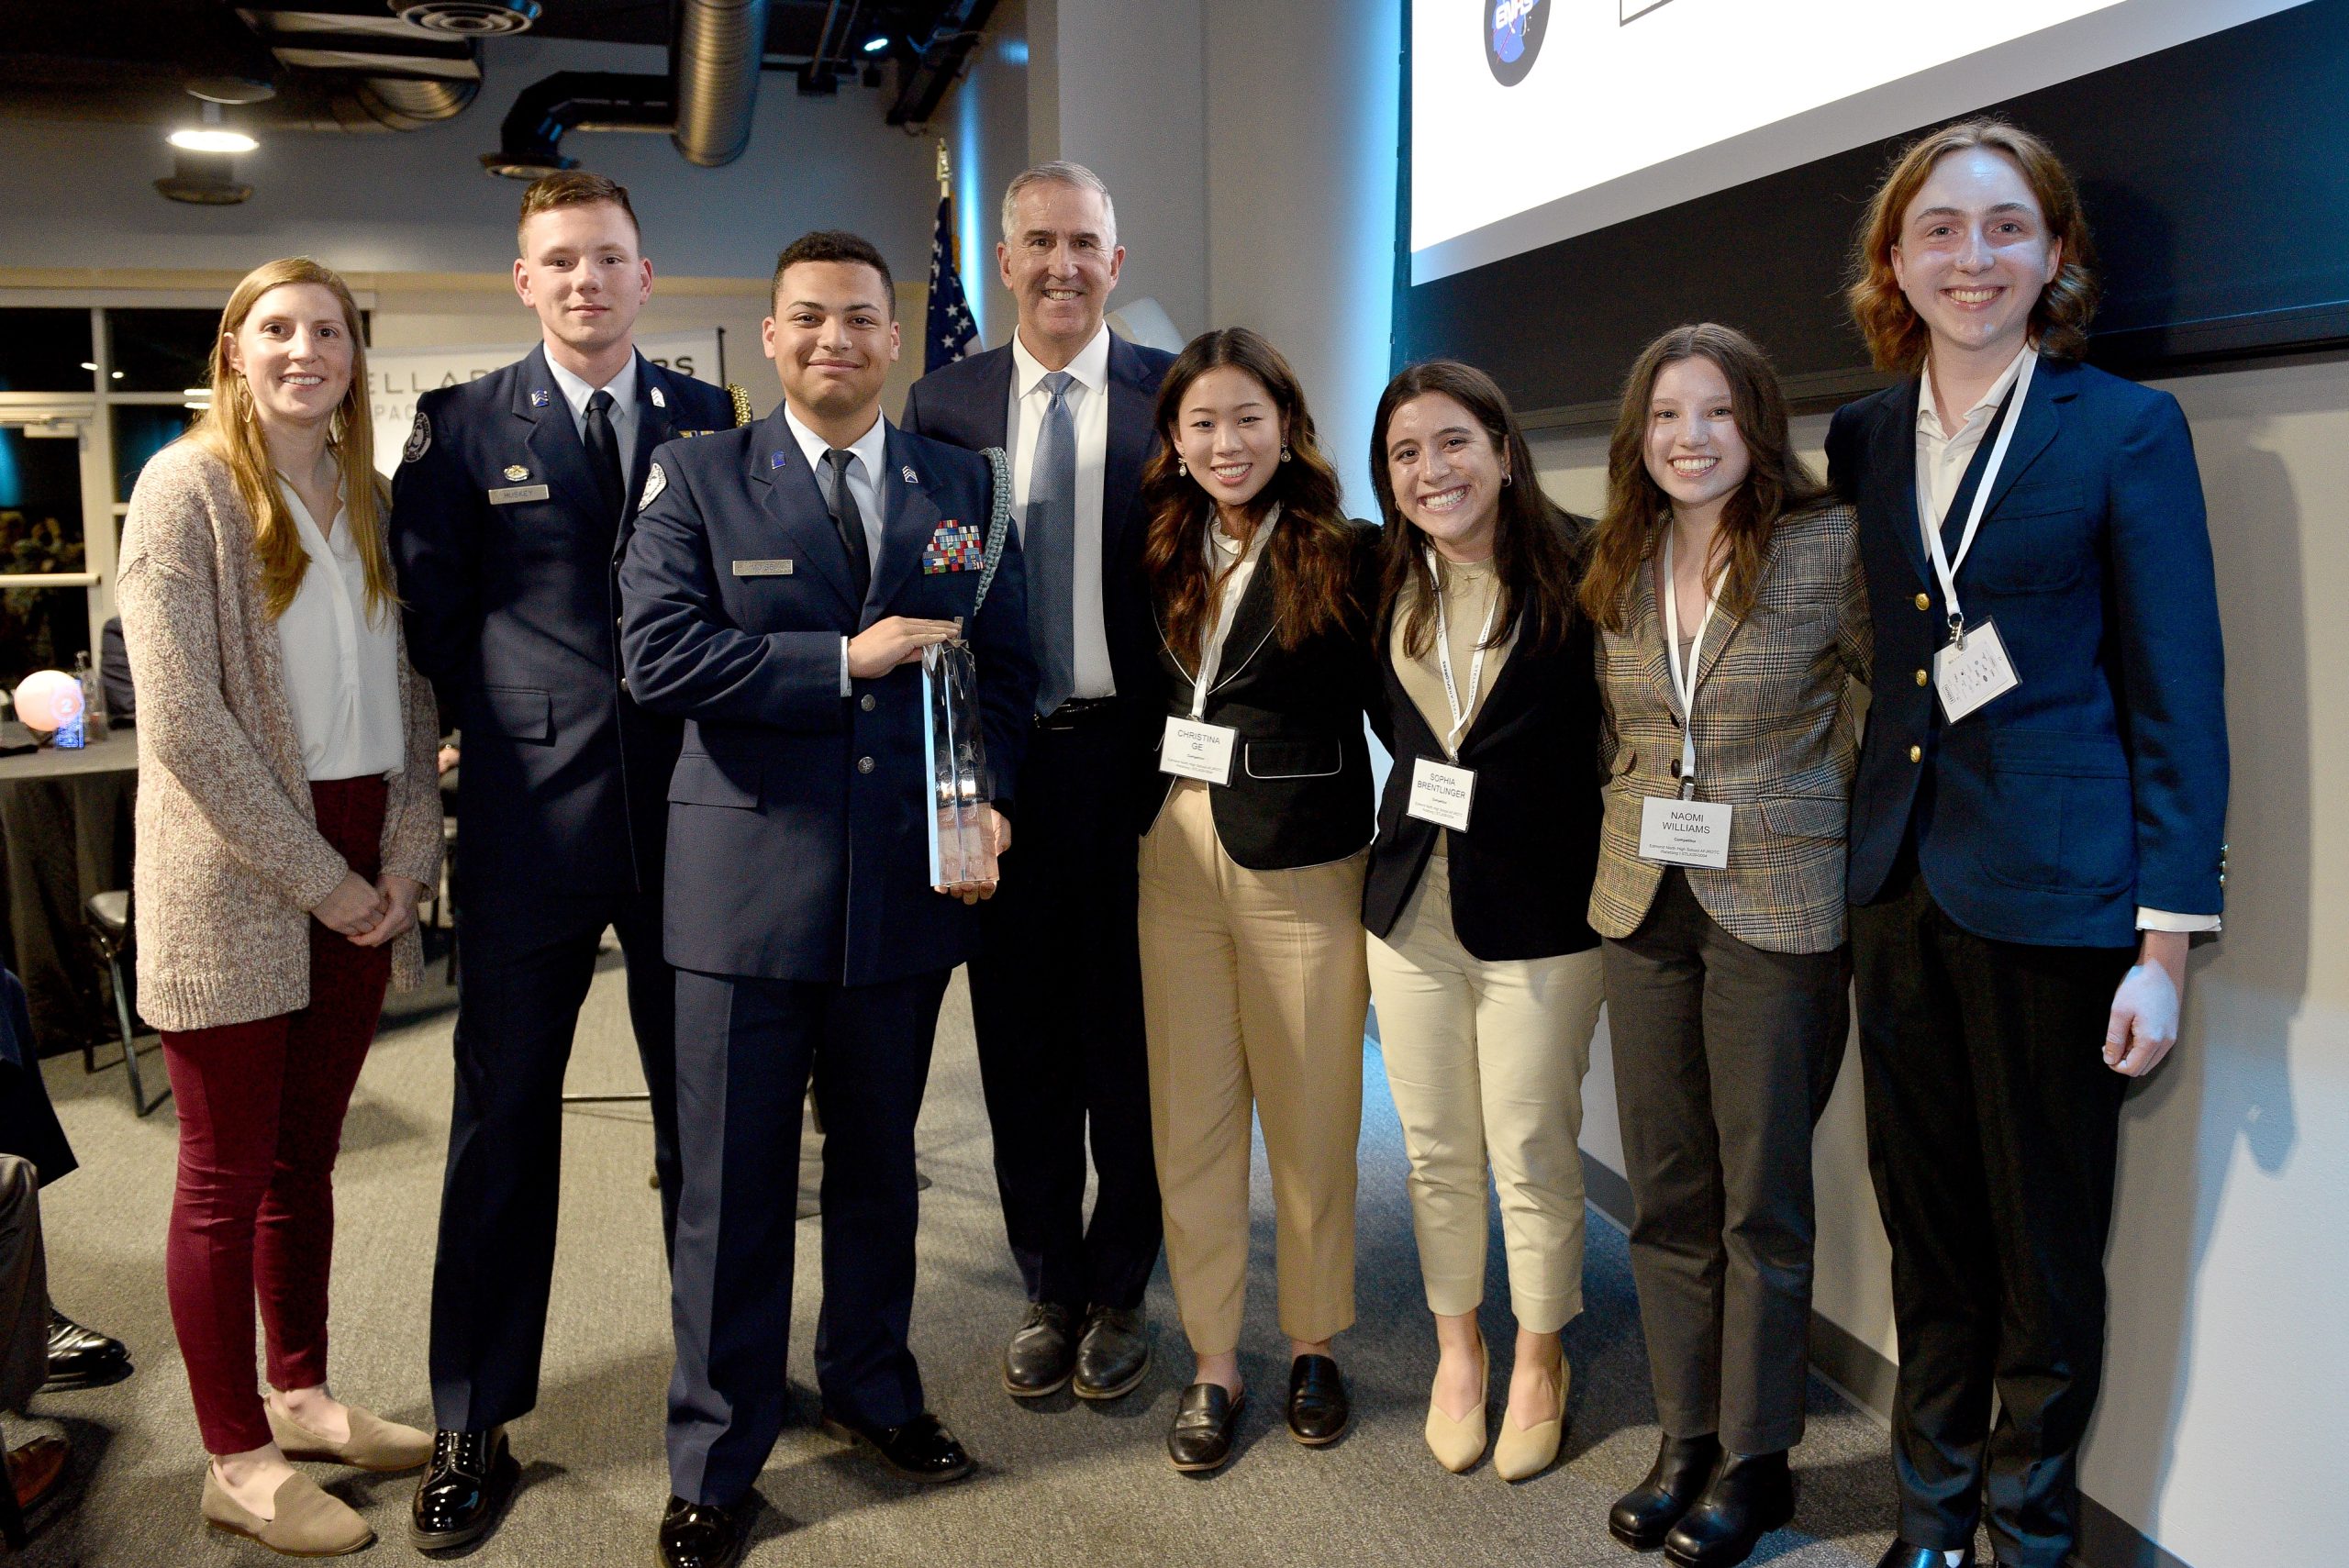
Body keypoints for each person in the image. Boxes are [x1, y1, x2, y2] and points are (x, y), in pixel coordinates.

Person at [1827, 120, 2227, 1568]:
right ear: (1896, 261)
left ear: (2055, 253)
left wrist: (2164, 949)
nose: (1972, 257)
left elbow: (2178, 693)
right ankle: (1932, 1519)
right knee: (1928, 1228)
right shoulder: (1866, 435)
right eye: (1939, 230)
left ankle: (2033, 1531)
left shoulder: (2124, 428)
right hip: (1897, 882)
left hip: (2061, 898)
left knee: (2047, 1250)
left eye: (2006, 227)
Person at [619, 229, 1034, 1568]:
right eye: (808, 317)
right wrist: (841, 660)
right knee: (732, 1190)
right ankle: (715, 1454)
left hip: (901, 889)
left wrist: (991, 794)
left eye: (860, 317)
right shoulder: (695, 474)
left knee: (878, 1170)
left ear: (895, 339)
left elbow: (1005, 667)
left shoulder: (964, 482)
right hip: (740, 897)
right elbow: (657, 656)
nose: (834, 339)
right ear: (771, 334)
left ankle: (872, 1383)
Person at [389, 171, 739, 1551]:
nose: (586, 281)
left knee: (707, 1125)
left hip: (696, 816)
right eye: (560, 260)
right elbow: (434, 613)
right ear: (523, 280)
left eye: (608, 258)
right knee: (501, 1121)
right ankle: (473, 1415)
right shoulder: (464, 422)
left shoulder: (711, 417)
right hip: (531, 824)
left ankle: (723, 1399)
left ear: (646, 277)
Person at [117, 255, 444, 1556]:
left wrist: (405, 857)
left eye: (329, 331)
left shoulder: (368, 495)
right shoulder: (185, 486)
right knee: (223, 1177)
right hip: (236, 875)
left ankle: (299, 1396)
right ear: (234, 352)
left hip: (365, 852)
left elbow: (412, 691)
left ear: (355, 357)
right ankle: (235, 1459)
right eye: (278, 330)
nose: (305, 350)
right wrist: (328, 879)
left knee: (305, 1162)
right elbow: (185, 722)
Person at [1583, 323, 1869, 1568]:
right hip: (1642, 895)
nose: (1688, 438)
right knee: (1666, 1188)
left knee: (1762, 1198)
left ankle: (1755, 1459)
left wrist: (1819, 798)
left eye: (1714, 412)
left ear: (1757, 423)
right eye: (1665, 415)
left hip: (1779, 895)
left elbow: (1888, 698)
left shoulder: (1826, 545)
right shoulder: (1618, 554)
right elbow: (1616, 723)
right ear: (1637, 436)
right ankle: (1683, 1435)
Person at [897, 160, 1173, 1404]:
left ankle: (1122, 1284)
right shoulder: (943, 403)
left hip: (1138, 763)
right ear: (1004, 262)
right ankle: (1049, 1280)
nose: (1063, 265)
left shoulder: (1174, 394)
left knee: (1132, 1041)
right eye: (1040, 243)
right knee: (1018, 1041)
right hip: (1001, 764)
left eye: (1084, 244)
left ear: (1115, 263)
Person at [1135, 327, 1377, 1475]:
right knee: (1190, 1119)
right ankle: (1214, 1356)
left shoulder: (1349, 552)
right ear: (1175, 441)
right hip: (1172, 855)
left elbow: (1409, 700)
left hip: (1302, 856)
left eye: (1247, 418)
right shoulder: (1157, 548)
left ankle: (1314, 1341)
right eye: (1203, 423)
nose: (1225, 442)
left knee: (1313, 1113)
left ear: (1287, 426)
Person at [1360, 360, 1603, 1483]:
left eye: (1452, 441)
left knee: (1532, 1146)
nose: (1431, 470)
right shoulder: (1382, 582)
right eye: (1405, 453)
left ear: (1504, 450)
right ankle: (1459, 1350)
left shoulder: (1588, 566)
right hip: (1409, 904)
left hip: (1543, 909)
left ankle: (1540, 1356)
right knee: (1435, 1147)